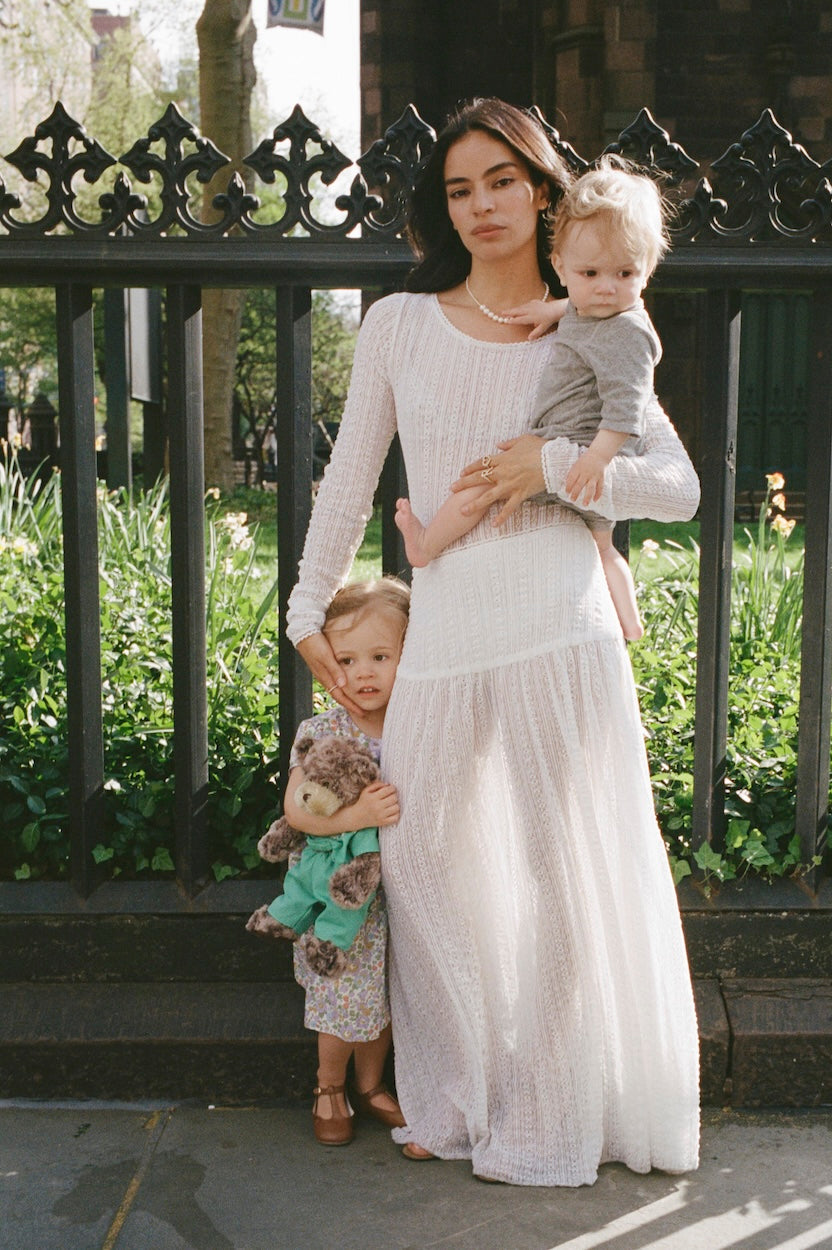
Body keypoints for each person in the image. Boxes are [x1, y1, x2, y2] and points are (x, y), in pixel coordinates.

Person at [287, 98, 701, 1186]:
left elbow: (678, 485)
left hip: (558, 626)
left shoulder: (598, 320)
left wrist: (553, 470)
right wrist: (303, 606)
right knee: (424, 861)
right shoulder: (396, 324)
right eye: (461, 187)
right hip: (450, 629)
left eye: (502, 181)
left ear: (544, 191)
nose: (481, 205)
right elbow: (347, 478)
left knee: (558, 874)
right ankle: (466, 1092)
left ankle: (550, 1110)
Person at [395, 157, 669, 641]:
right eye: (590, 273)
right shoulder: (595, 305)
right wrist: (556, 308)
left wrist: (591, 461)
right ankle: (631, 625)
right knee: (603, 547)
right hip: (576, 455)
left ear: (647, 270)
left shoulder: (629, 333)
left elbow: (628, 408)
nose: (606, 287)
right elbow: (583, 304)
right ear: (563, 267)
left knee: (478, 487)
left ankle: (422, 545)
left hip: (574, 449)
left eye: (625, 273)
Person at [271, 578, 410, 1147]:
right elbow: (297, 812)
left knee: (383, 1003)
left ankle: (373, 1085)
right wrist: (356, 818)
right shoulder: (322, 731)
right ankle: (330, 1087)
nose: (364, 673)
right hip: (342, 899)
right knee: (342, 1001)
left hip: (400, 892)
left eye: (381, 656)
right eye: (347, 659)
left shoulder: (416, 722)